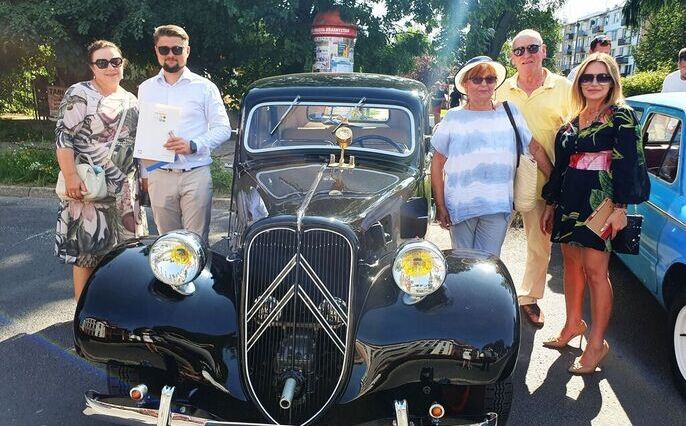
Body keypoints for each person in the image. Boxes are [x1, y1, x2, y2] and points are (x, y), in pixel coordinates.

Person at [541, 53, 645, 374]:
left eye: (602, 77)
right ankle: (573, 325)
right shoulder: (574, 120)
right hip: (570, 198)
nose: (594, 83)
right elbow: (561, 167)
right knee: (571, 264)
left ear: (613, 81)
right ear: (579, 82)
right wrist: (550, 203)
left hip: (602, 200)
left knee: (596, 271)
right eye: (588, 77)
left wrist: (621, 208)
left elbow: (629, 164)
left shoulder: (622, 116)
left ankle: (597, 344)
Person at [54, 40, 148, 301]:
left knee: (123, 253)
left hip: (124, 190)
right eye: (102, 63)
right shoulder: (80, 93)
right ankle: (83, 316)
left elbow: (140, 144)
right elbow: (64, 137)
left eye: (115, 62)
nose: (110, 68)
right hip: (89, 187)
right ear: (92, 67)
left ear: (123, 65)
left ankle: (113, 311)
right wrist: (71, 176)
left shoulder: (131, 100)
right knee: (87, 253)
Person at [495, 29, 572, 327]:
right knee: (491, 237)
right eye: (519, 51)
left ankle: (528, 297)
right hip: (502, 178)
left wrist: (559, 183)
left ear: (544, 50)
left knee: (539, 242)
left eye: (532, 48)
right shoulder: (501, 90)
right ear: (512, 58)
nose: (526, 55)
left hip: (544, 178)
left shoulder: (564, 88)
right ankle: (487, 295)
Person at [138, 24, 231, 243]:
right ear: (157, 52)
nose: (171, 55)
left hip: (194, 174)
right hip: (159, 175)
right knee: (167, 243)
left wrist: (194, 144)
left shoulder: (204, 87)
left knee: (196, 242)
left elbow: (223, 128)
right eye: (165, 50)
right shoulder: (146, 88)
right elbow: (144, 131)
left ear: (187, 51)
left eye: (177, 49)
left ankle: (198, 279)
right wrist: (144, 174)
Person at [431, 56, 533, 257]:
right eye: (477, 79)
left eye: (490, 79)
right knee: (463, 265)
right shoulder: (453, 117)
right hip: (460, 206)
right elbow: (437, 164)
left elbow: (534, 149)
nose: (484, 84)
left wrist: (553, 190)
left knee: (488, 266)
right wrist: (440, 205)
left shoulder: (510, 111)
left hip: (497, 204)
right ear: (465, 84)